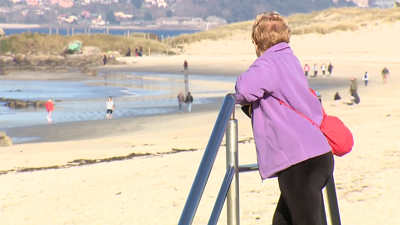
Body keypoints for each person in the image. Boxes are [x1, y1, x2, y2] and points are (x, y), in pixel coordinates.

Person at [235, 12, 334, 225]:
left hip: (300, 162)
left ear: (256, 40)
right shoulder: (290, 58)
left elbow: (244, 89)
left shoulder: (268, 63)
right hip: (317, 154)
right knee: (282, 221)